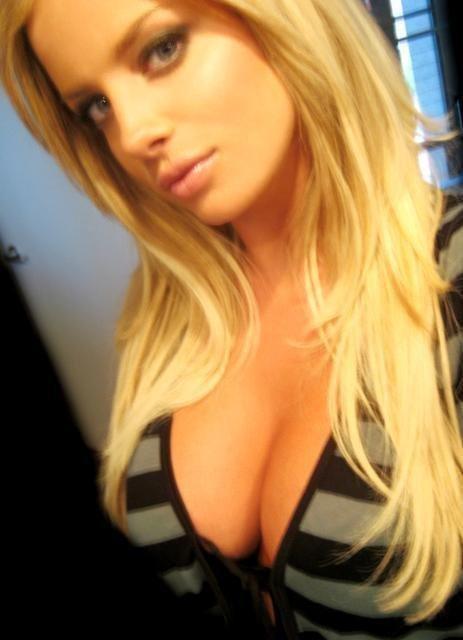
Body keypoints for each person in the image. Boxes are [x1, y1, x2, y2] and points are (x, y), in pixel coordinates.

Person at [1, 0, 461, 638]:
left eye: (162, 49)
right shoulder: (165, 319)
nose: (132, 134)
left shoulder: (450, 279)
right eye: (96, 106)